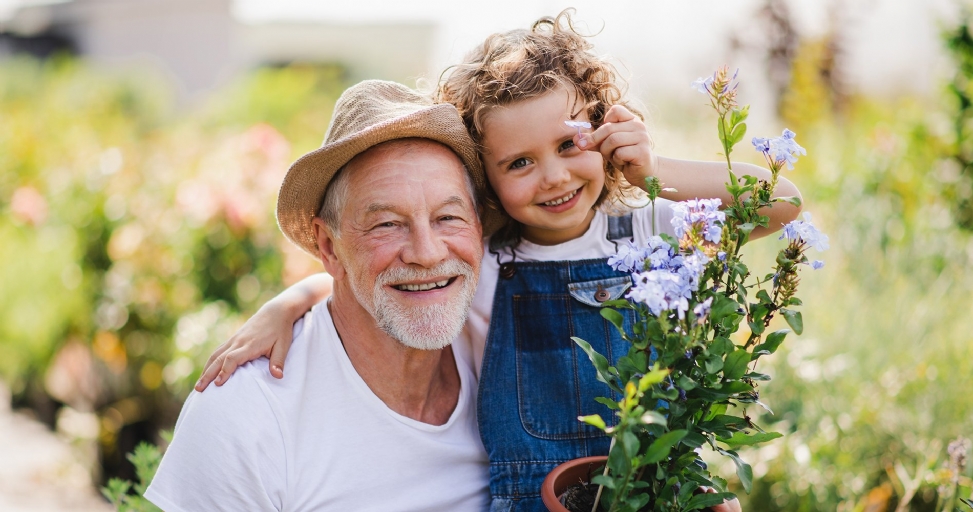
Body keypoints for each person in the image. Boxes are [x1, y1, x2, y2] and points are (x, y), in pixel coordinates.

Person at [198, 11, 794, 511]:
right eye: (519, 163)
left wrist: (658, 174)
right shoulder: (487, 258)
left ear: (605, 131)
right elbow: (383, 281)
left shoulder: (647, 226)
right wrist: (289, 302)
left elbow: (783, 201)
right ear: (487, 179)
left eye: (569, 146)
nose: (554, 177)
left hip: (653, 489)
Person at [144, 80, 493, 511]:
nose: (426, 253)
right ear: (329, 247)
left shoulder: (501, 353)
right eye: (386, 224)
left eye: (448, 217)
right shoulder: (247, 412)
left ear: (479, 229)